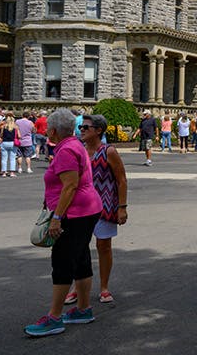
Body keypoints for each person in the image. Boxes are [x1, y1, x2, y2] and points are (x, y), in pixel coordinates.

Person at [24, 109, 102, 337]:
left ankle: (54, 317)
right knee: (80, 258)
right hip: (87, 208)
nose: (46, 129)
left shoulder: (67, 150)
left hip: (75, 212)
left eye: (48, 126)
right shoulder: (74, 145)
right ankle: (83, 309)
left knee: (62, 261)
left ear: (54, 130)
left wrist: (56, 218)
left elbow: (70, 185)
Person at [65, 114, 128, 305]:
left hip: (104, 206)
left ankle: (104, 287)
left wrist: (122, 207)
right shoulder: (79, 151)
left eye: (86, 127)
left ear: (98, 130)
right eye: (81, 127)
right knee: (79, 248)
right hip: (80, 207)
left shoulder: (108, 151)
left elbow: (121, 180)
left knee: (104, 246)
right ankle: (78, 287)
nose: (81, 130)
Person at [0, 113, 20, 177]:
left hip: (4, 143)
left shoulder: (3, 126)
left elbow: (1, 134)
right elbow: (19, 136)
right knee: (12, 158)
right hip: (12, 143)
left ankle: (4, 172)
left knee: (4, 159)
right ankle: (12, 172)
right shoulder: (15, 126)